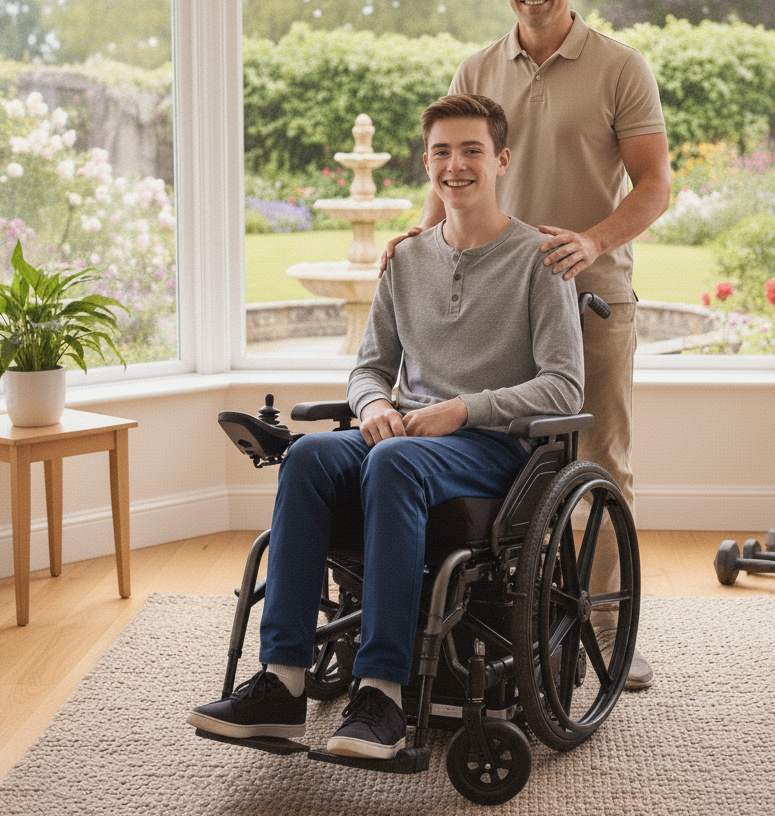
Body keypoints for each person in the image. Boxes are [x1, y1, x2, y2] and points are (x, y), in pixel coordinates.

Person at [188, 93, 583, 760]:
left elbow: (564, 385)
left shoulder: (539, 260)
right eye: (442, 152)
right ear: (427, 162)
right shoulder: (405, 259)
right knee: (310, 458)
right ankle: (283, 683)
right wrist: (373, 406)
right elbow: (370, 368)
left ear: (501, 160)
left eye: (471, 151)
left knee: (391, 464)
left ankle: (381, 696)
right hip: (405, 440)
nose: (455, 165)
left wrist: (463, 409)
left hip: (494, 448)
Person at [381, 0, 671, 690]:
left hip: (591, 292)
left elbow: (655, 187)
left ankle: (607, 627)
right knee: (496, 451)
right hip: (489, 293)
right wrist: (417, 240)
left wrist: (594, 242)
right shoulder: (477, 66)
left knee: (598, 457)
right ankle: (500, 611)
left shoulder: (619, 66)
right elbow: (450, 166)